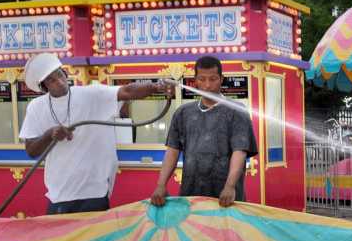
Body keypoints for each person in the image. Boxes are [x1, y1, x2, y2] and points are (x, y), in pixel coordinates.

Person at [19, 52, 171, 214]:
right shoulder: (36, 107)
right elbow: (31, 150)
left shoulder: (90, 94)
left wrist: (157, 87)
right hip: (59, 194)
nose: (59, 81)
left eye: (59, 74)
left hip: (94, 192)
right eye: (51, 79)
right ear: (44, 86)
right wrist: (49, 135)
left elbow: (126, 91)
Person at [150, 56, 257, 208]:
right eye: (202, 79)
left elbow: (239, 152)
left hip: (226, 198)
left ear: (221, 79)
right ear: (195, 81)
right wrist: (161, 185)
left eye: (213, 79)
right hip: (191, 196)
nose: (207, 85)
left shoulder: (237, 111)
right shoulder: (183, 113)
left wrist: (230, 186)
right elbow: (172, 151)